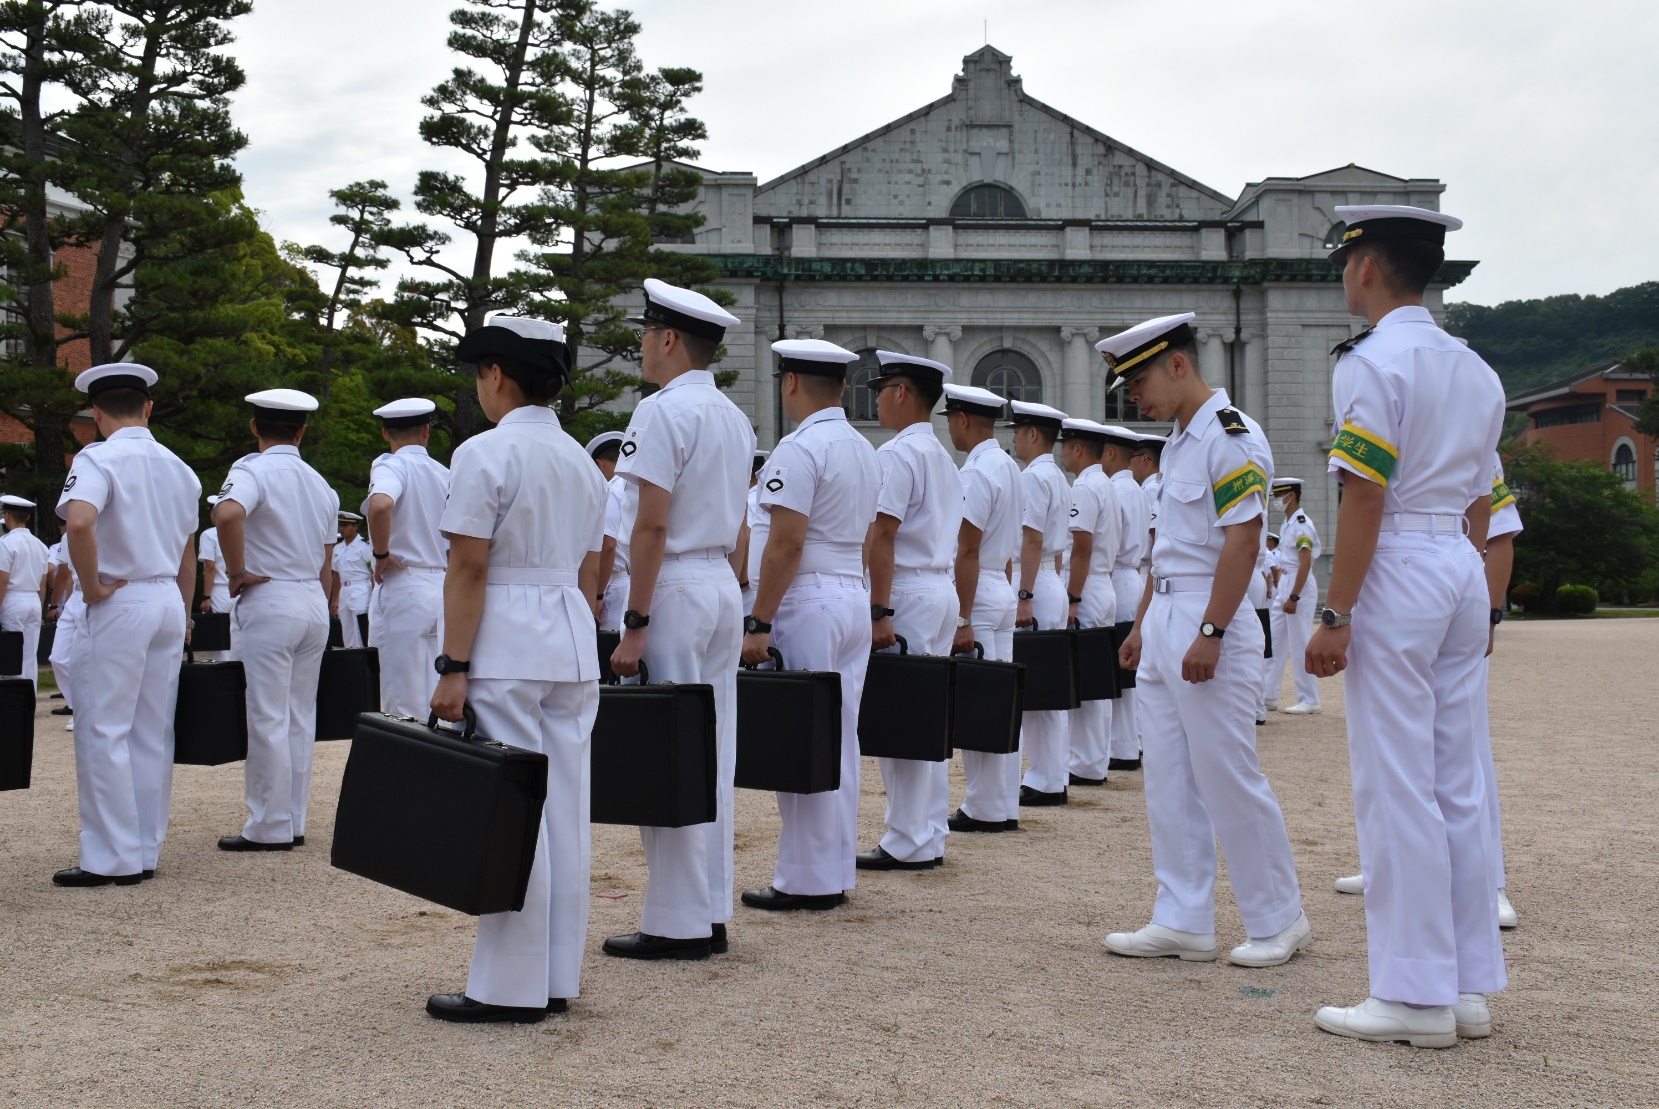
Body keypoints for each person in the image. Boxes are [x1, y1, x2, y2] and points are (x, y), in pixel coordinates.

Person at [1305, 204, 1506, 1047]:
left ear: (1364, 267)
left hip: (1398, 561)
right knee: (1457, 778)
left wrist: (1334, 610)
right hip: (1458, 560)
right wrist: (1476, 587)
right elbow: (1481, 497)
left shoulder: (1371, 362)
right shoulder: (1476, 369)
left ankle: (1411, 994)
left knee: (1395, 782)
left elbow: (1364, 493)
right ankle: (1462, 985)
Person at [1102, 313, 1309, 968]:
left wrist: (1212, 630)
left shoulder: (1231, 436)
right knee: (1167, 777)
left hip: (1208, 614)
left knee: (1227, 774)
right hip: (1167, 612)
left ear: (1178, 364)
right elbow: (1165, 548)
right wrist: (1141, 624)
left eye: (1139, 382)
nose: (1134, 397)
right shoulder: (1176, 444)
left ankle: (1279, 918)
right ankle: (1182, 917)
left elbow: (1243, 541)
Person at [425, 315, 606, 1024]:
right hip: (569, 633)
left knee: (512, 810)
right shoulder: (581, 462)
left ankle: (508, 985)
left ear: (496, 375)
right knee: (564, 810)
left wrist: (453, 664)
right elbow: (590, 566)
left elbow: (469, 566)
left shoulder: (484, 452)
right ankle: (556, 975)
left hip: (507, 635)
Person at [605, 279, 752, 960]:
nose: (641, 345)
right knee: (711, 751)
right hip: (719, 582)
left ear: (668, 338)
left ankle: (676, 920)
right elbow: (742, 523)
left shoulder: (659, 412)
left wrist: (635, 619)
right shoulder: (733, 416)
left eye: (645, 333)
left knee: (667, 751)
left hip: (676, 586)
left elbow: (651, 524)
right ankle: (708, 908)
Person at [1333, 454, 1522, 931]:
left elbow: (1498, 534)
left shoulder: (1466, 427)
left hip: (1445, 585)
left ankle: (1489, 882)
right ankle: (1389, 862)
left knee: (1466, 747)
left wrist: (1488, 613)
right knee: (1390, 748)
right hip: (1397, 587)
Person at [739, 339, 879, 909]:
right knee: (839, 737)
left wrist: (758, 620)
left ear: (791, 382)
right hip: (849, 594)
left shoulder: (798, 448)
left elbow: (786, 544)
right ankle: (831, 869)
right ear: (842, 386)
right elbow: (868, 537)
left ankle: (806, 878)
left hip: (808, 599)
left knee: (802, 737)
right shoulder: (865, 448)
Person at [51, 362, 199, 887]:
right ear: (148, 408)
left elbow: (79, 522)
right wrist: (185, 612)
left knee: (103, 728)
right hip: (166, 598)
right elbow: (188, 552)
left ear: (96, 413)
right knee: (152, 731)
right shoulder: (181, 468)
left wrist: (91, 588)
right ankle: (143, 848)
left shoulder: (97, 458)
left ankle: (110, 857)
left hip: (121, 599)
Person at [213, 388, 338, 852]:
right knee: (300, 716)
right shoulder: (321, 484)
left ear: (254, 427)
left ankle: (268, 824)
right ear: (301, 431)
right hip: (311, 597)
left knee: (267, 714)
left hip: (271, 595)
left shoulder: (251, 470)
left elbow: (227, 513)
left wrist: (235, 571)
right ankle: (293, 819)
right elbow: (327, 560)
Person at [857, 350, 962, 871]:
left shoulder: (898, 453)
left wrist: (879, 609)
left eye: (880, 390)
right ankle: (929, 830)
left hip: (908, 592)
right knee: (925, 717)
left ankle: (908, 838)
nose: (876, 400)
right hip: (938, 588)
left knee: (902, 720)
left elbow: (883, 534)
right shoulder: (940, 454)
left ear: (900, 392)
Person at [942, 384, 1023, 834]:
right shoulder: (1008, 465)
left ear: (963, 420)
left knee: (982, 702)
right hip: (999, 584)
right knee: (1001, 700)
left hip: (980, 590)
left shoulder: (975, 472)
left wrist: (963, 618)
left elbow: (966, 549)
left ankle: (985, 806)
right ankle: (1002, 802)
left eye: (951, 420)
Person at [364, 398, 451, 718]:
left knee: (402, 700)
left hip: (405, 583)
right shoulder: (445, 474)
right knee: (436, 690)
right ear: (427, 431)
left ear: (386, 433)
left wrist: (381, 553)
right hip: (443, 585)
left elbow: (380, 505)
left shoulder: (391, 464)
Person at [1009, 400, 1074, 806]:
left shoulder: (1034, 477)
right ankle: (1052, 774)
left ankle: (1046, 779)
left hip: (1034, 580)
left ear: (1033, 434)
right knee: (1046, 689)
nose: (1014, 439)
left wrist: (1024, 595)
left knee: (1038, 691)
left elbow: (1032, 539)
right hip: (1049, 578)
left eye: (1017, 432)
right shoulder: (1058, 477)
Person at [1056, 419, 1121, 792]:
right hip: (1102, 582)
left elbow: (1081, 548)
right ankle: (1094, 758)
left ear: (1077, 449)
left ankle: (1086, 762)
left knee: (1085, 680)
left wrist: (1073, 598)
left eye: (1064, 446)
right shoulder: (1106, 483)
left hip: (1087, 585)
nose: (1062, 453)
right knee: (1096, 679)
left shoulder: (1083, 486)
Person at [1100, 425, 1152, 770]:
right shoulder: (1138, 490)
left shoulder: (1115, 490)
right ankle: (1130, 742)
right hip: (1133, 574)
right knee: (1130, 671)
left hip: (1116, 575)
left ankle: (1120, 746)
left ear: (1111, 453)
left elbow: (1107, 542)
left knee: (1116, 666)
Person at [1265, 478, 1321, 714]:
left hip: (1300, 584)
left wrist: (1295, 596)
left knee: (1300, 643)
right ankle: (1268, 695)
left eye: (1279, 496)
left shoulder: (1301, 525)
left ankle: (1309, 699)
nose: (1276, 501)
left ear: (1292, 496)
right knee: (1274, 641)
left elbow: (1305, 563)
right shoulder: (1288, 523)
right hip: (1286, 583)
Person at [0, 495, 49, 690]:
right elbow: (43, 584)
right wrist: (40, 608)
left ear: (7, 515)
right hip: (33, 600)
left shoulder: (5, 543)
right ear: (27, 517)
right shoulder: (40, 545)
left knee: (12, 654)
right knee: (30, 655)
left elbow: (3, 580)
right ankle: (29, 699)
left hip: (12, 599)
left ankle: (14, 701)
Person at [585, 431, 625, 625]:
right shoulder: (641, 486)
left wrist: (598, 594)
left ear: (600, 464)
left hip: (616, 586)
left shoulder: (611, 490)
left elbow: (608, 545)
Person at [45, 537, 80, 724]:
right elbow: (66, 574)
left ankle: (83, 711)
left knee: (91, 657)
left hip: (99, 593)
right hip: (76, 594)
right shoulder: (68, 537)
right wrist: (63, 604)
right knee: (58, 657)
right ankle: (77, 706)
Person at [196, 495, 233, 662]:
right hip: (239, 591)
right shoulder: (241, 532)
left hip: (219, 593)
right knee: (237, 639)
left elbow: (210, 567)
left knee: (218, 644)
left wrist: (206, 596)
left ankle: (223, 674)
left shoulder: (209, 535)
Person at [331, 512, 374, 648]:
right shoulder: (338, 548)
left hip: (361, 588)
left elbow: (373, 573)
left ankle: (364, 655)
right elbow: (336, 575)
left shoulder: (365, 547)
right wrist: (334, 600)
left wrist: (374, 598)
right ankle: (351, 655)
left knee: (360, 626)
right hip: (344, 590)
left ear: (355, 527)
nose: (342, 528)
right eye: (340, 525)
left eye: (346, 525)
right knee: (347, 628)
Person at [738, 448, 769, 616]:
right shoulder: (765, 496)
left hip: (749, 594)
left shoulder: (749, 500)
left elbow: (745, 535)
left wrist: (743, 581)